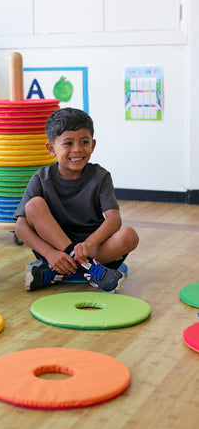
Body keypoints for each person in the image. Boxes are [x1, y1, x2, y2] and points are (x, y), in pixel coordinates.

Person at [14, 107, 139, 293]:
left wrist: (91, 242)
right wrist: (49, 253)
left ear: (93, 145)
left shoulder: (101, 176)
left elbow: (114, 219)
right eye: (68, 143)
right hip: (54, 250)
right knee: (34, 205)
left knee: (129, 235)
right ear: (51, 148)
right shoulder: (40, 178)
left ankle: (58, 272)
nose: (77, 149)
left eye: (84, 142)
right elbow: (20, 227)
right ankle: (89, 270)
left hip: (93, 250)